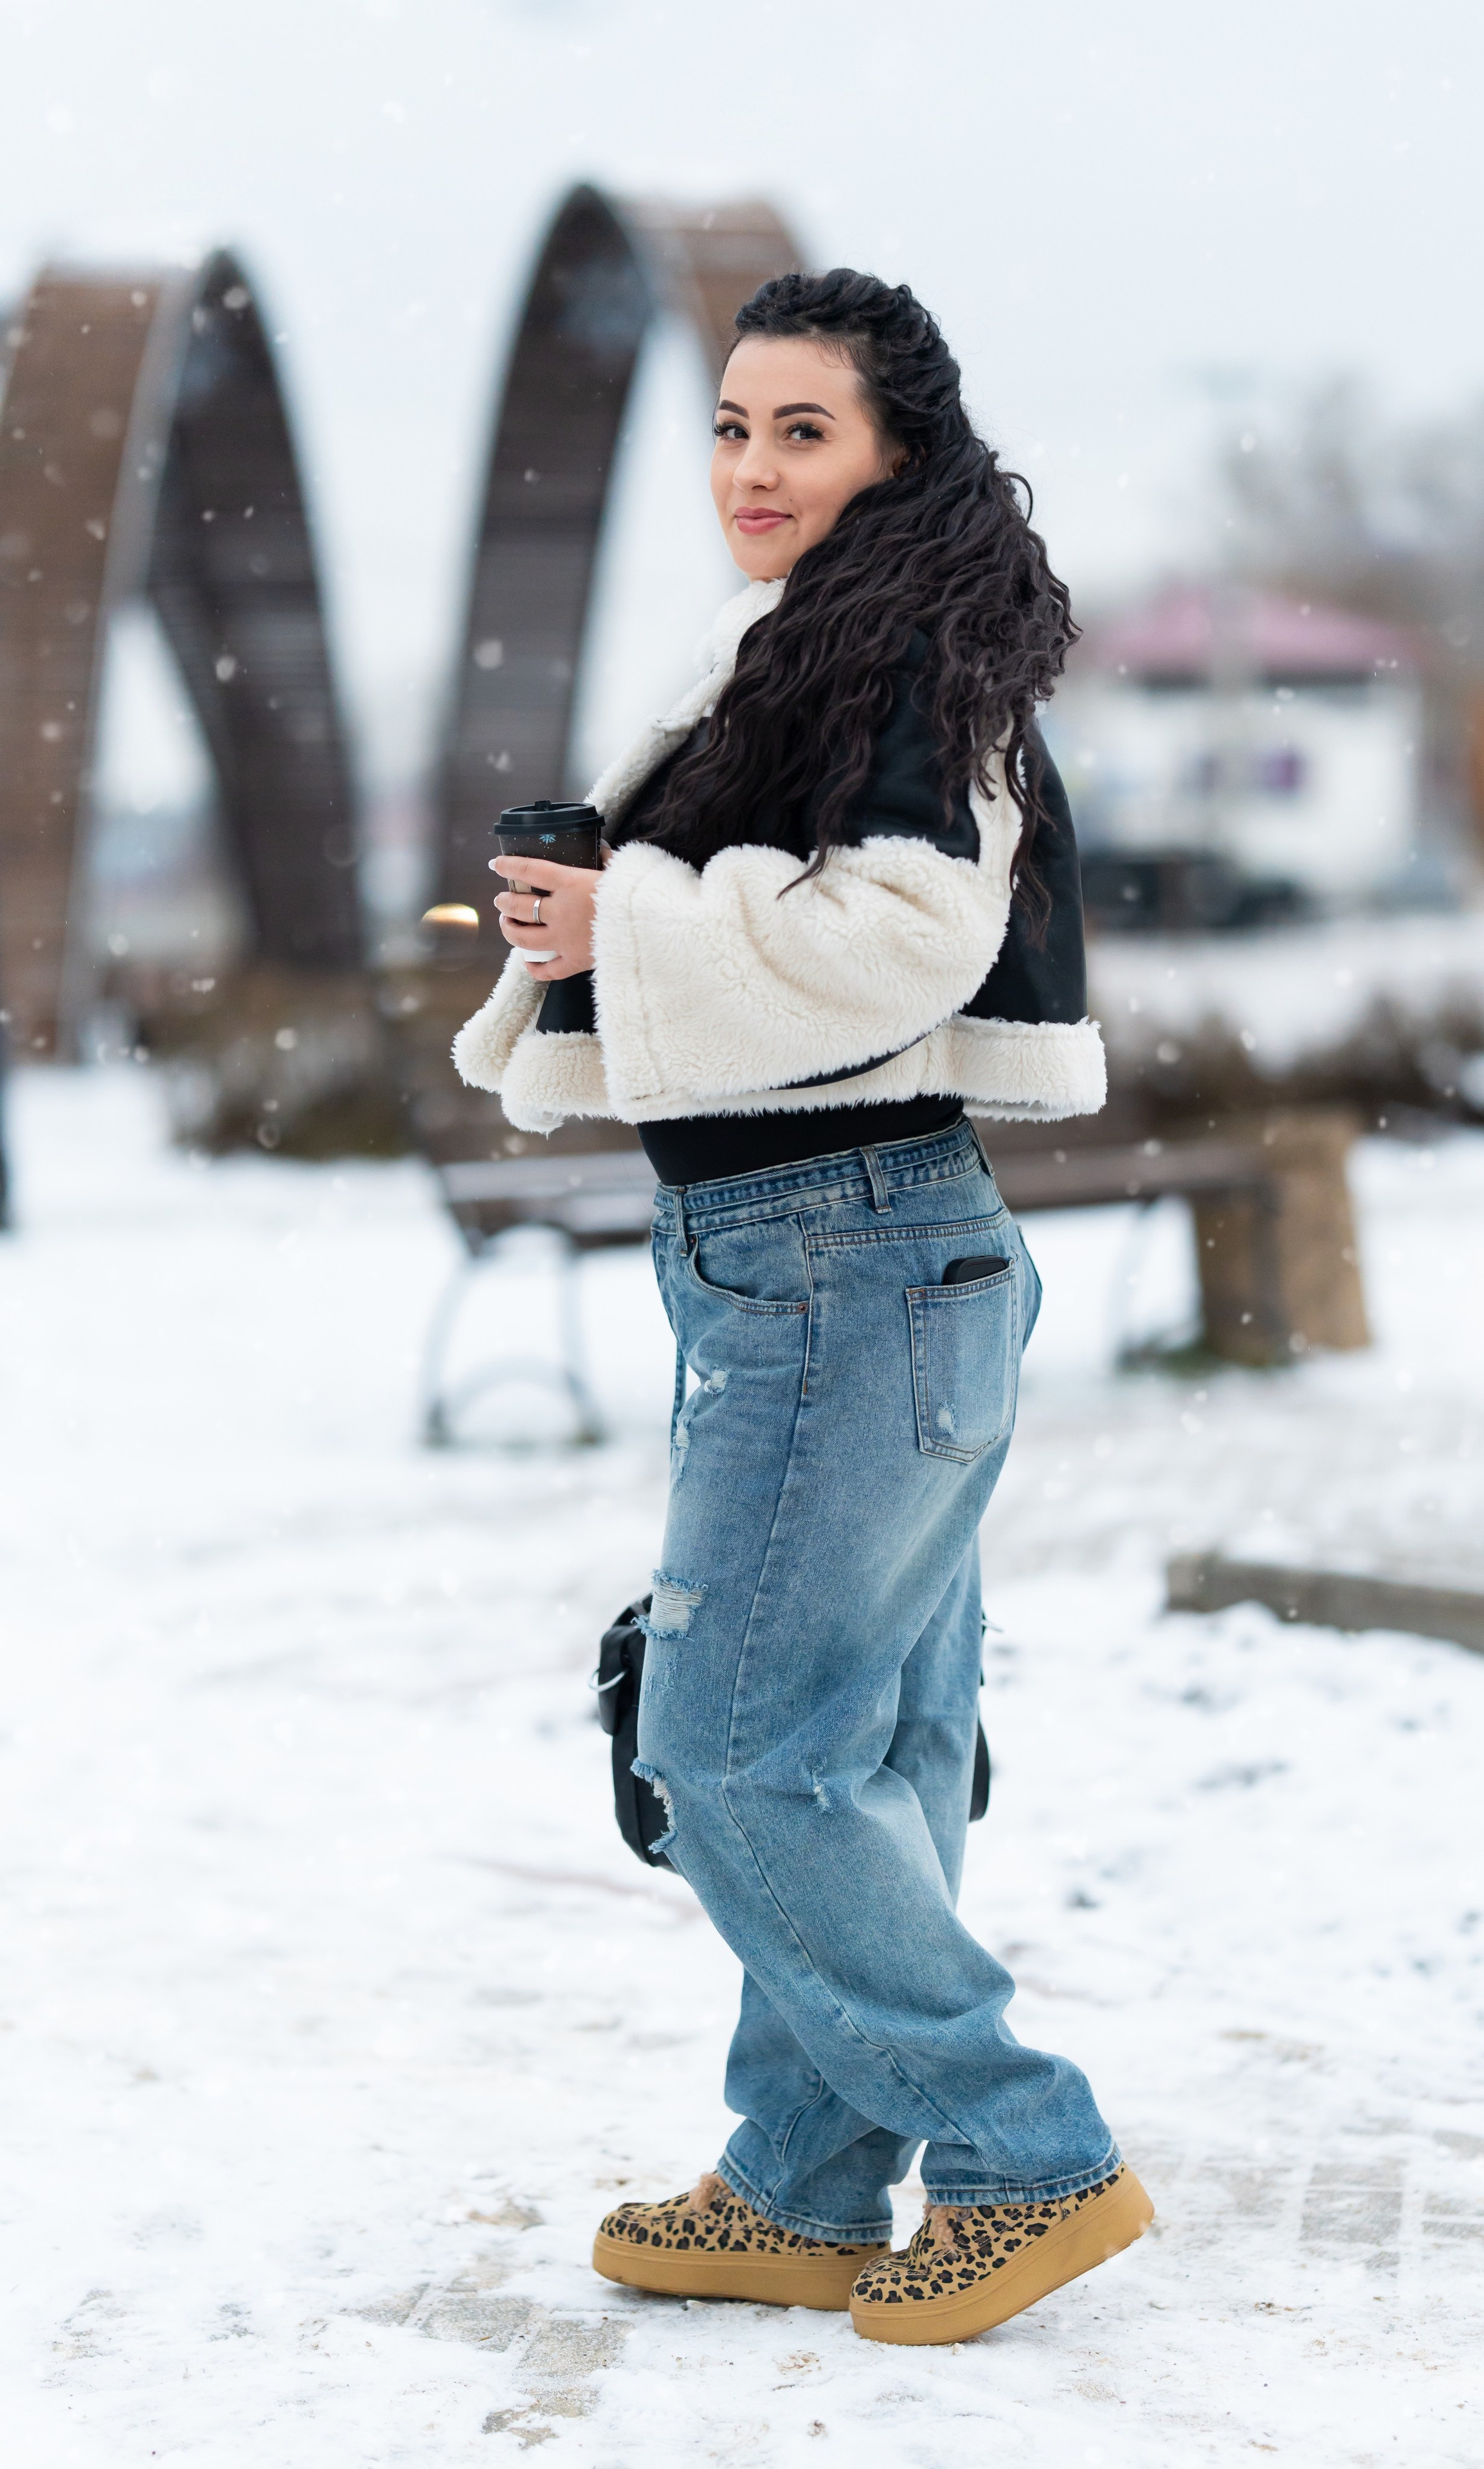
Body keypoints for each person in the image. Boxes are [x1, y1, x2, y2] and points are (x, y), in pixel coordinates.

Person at [455, 269, 1152, 2346]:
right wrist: (604, 931)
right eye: (736, 429)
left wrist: (638, 911)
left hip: (848, 1258)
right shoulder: (833, 649)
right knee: (868, 1749)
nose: (755, 470)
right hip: (841, 1252)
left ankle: (1024, 2150)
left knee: (735, 1753)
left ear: (895, 453)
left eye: (804, 432)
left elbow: (905, 934)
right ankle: (804, 2176)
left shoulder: (902, 666)